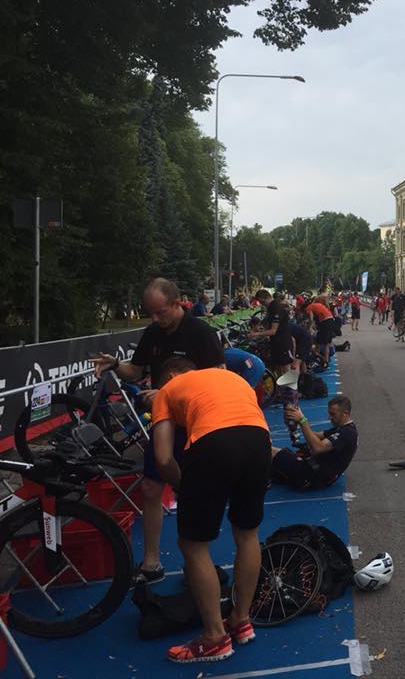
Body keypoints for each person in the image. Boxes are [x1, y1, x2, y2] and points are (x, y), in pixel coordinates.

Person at [92, 278, 224, 584]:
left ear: (178, 303)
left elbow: (219, 380)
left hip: (194, 424)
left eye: (161, 312)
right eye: (150, 312)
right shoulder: (153, 332)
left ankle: (199, 560)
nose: (155, 319)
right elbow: (136, 371)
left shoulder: (200, 333)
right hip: (163, 421)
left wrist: (171, 392)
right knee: (151, 488)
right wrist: (115, 364)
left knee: (194, 491)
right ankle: (151, 564)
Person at [150, 359, 270, 663]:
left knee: (193, 544)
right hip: (259, 440)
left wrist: (183, 486)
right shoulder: (228, 377)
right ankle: (240, 620)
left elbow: (163, 459)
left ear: (171, 375)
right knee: (247, 533)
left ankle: (215, 637)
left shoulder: (167, 389)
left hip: (214, 443)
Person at [271, 395, 358, 490]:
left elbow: (318, 448)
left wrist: (303, 420)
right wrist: (295, 425)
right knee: (272, 467)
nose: (329, 418)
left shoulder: (347, 434)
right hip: (316, 472)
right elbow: (316, 435)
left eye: (333, 414)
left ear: (345, 413)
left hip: (314, 476)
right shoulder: (345, 428)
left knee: (270, 451)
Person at [250, 289, 293, 376]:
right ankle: (281, 388)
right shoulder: (271, 308)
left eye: (261, 302)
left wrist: (256, 334)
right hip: (276, 342)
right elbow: (266, 324)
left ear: (265, 298)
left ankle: (290, 388)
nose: (261, 304)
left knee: (285, 369)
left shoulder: (276, 307)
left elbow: (273, 331)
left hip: (282, 342)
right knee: (278, 368)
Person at [306, 295, 336, 369]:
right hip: (330, 320)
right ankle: (325, 360)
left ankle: (316, 360)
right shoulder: (320, 305)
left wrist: (308, 328)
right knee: (326, 343)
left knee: (318, 343)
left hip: (325, 322)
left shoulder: (309, 307)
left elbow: (311, 319)